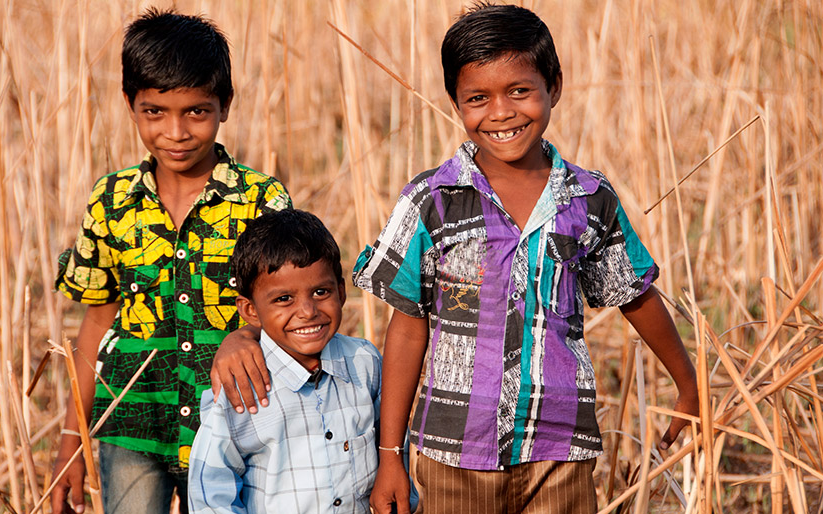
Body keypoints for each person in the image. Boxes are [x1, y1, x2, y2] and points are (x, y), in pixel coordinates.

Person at [352, 4, 700, 513]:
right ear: (456, 104)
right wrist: (389, 456)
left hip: (560, 447)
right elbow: (407, 327)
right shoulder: (431, 199)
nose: (501, 112)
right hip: (454, 451)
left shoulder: (587, 197)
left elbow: (634, 294)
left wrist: (688, 385)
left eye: (519, 90)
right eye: (478, 98)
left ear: (553, 87)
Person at [51, 8, 290, 514]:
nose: (175, 132)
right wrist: (70, 442)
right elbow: (96, 325)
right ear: (130, 105)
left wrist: (243, 334)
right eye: (154, 111)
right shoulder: (111, 201)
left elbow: (286, 315)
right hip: (135, 425)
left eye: (196, 112)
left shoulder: (261, 200)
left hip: (237, 424)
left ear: (224, 104)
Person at [188, 209, 389, 513]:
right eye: (284, 299)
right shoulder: (240, 385)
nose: (307, 311)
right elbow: (211, 494)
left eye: (321, 292)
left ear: (342, 292)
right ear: (250, 310)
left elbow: (389, 455)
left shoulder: (365, 363)